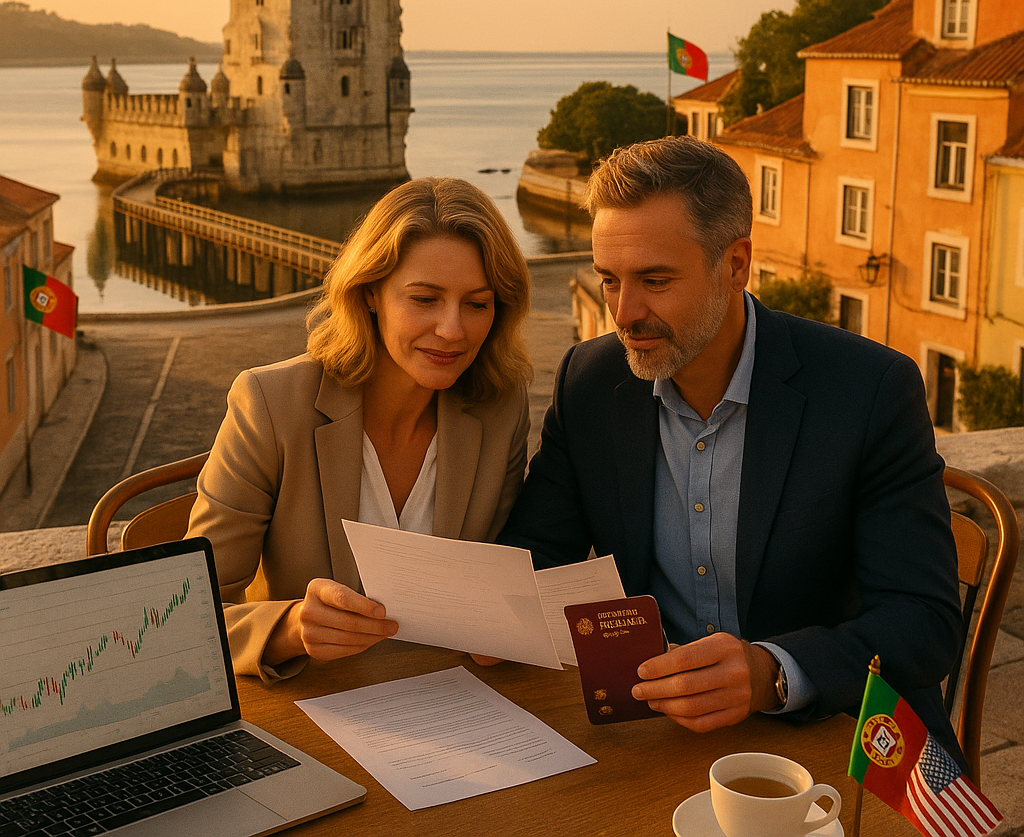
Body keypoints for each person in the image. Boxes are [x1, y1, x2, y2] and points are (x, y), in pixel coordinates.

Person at [499, 136, 963, 755]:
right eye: (609, 279)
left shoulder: (869, 389)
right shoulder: (591, 379)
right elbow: (535, 556)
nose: (624, 312)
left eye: (655, 280)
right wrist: (477, 613)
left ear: (737, 264)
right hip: (660, 734)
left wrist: (773, 673)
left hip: (831, 729)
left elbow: (924, 624)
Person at [187, 177, 533, 683]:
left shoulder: (500, 408)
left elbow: (497, 579)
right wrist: (290, 628)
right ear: (371, 292)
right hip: (311, 705)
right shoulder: (270, 404)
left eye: (477, 304)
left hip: (454, 706)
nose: (453, 330)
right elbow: (188, 617)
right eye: (424, 299)